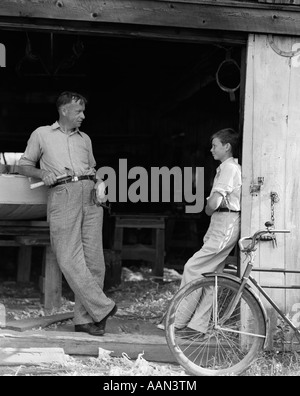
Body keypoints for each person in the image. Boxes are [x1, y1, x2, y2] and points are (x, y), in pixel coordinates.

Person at [18, 91, 117, 336]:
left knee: (95, 263)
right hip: (63, 194)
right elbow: (23, 165)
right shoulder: (42, 134)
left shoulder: (85, 139)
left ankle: (84, 320)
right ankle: (102, 307)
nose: (83, 116)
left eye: (83, 111)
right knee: (68, 257)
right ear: (64, 110)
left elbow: (92, 167)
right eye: (78, 111)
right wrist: (42, 174)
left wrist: (100, 182)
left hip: (91, 195)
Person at [159, 128, 241, 337]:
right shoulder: (229, 167)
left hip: (225, 220)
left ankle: (177, 321)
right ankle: (198, 326)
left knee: (192, 267)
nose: (211, 149)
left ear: (226, 146)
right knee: (210, 276)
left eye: (215, 145)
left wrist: (207, 208)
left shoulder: (228, 167)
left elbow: (214, 202)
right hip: (223, 221)